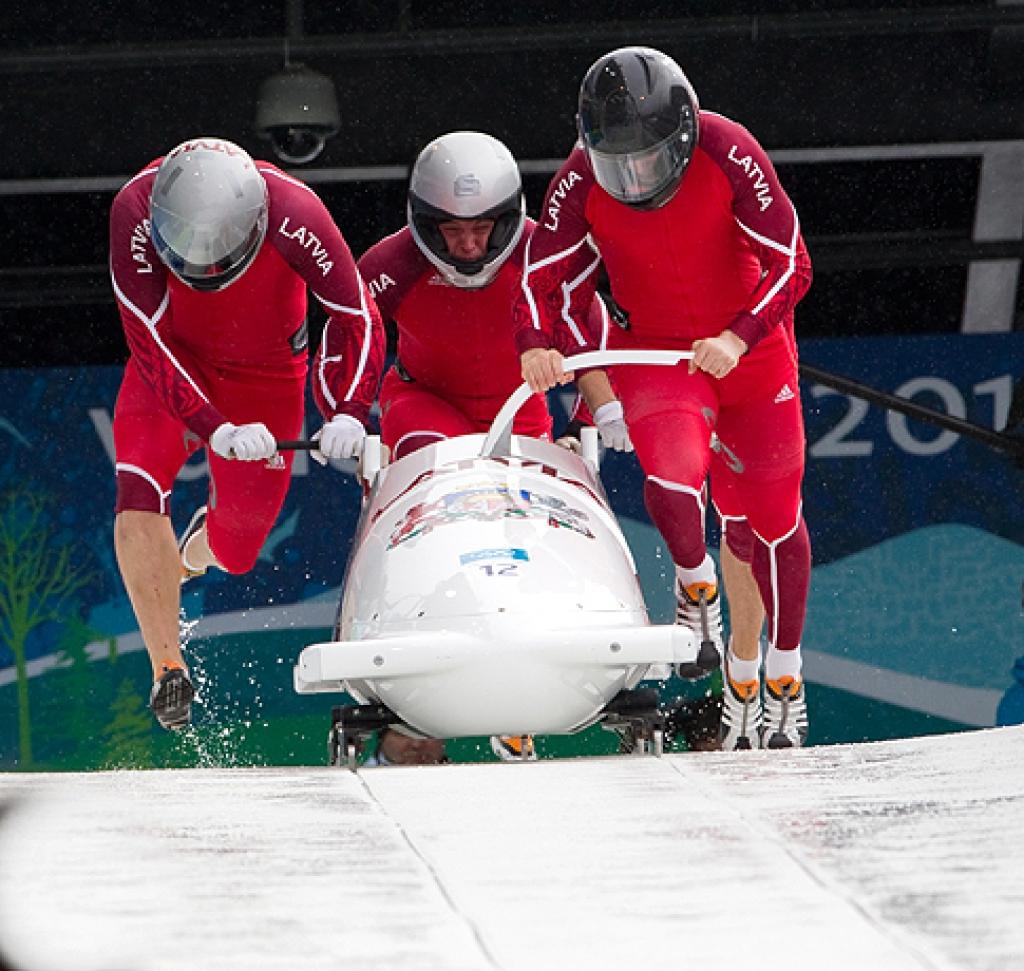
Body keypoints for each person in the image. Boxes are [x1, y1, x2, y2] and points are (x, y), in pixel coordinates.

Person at [512, 47, 813, 750]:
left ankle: (783, 672)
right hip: (659, 355)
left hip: (749, 354)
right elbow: (541, 276)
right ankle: (694, 584)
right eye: (619, 164)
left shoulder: (730, 148)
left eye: (648, 161)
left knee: (767, 521)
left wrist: (739, 337)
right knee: (671, 479)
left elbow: (792, 259)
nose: (635, 178)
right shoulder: (580, 177)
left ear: (681, 137)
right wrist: (535, 339)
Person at [323, 129, 630, 760]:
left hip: (519, 411)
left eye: (483, 229)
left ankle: (513, 631)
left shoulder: (549, 253)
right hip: (423, 404)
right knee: (444, 471)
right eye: (451, 231)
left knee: (519, 509)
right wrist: (347, 413)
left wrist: (605, 409)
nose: (467, 245)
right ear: (424, 224)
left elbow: (582, 329)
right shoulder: (388, 266)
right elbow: (353, 339)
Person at [109, 136, 384, 731]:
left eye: (221, 259)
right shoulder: (133, 209)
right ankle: (167, 669)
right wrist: (213, 426)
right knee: (136, 485)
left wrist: (348, 410)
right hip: (175, 363)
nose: (208, 272)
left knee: (235, 554)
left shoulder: (296, 212)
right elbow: (148, 341)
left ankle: (192, 553)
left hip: (267, 379)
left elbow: (357, 315)